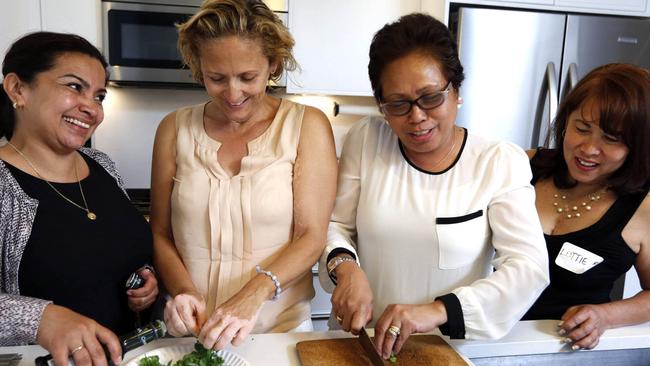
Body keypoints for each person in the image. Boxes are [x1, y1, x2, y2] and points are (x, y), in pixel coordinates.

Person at [319, 13, 550, 360]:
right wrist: (345, 268)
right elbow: (335, 226)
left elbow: (528, 268)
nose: (417, 117)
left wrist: (437, 310)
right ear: (381, 105)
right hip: (360, 345)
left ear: (456, 90)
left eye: (430, 98)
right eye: (397, 104)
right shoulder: (366, 140)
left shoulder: (499, 162)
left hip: (446, 349)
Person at [150, 0, 337, 350]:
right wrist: (184, 291)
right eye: (216, 78)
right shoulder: (173, 129)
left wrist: (252, 295)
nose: (233, 94)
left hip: (279, 333)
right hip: (192, 333)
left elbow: (311, 236)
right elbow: (160, 232)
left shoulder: (306, 126)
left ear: (273, 65)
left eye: (247, 77)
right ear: (198, 69)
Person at [0, 32, 158, 365]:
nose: (91, 108)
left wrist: (143, 280)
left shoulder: (102, 165)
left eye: (99, 96)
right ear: (18, 89)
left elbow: (113, 252)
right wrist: (41, 317)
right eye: (74, 87)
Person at [522, 63, 650, 350]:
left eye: (611, 138)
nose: (589, 148)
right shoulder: (522, 166)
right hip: (481, 343)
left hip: (566, 352)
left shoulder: (642, 207)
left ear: (637, 146)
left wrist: (605, 316)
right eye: (582, 128)